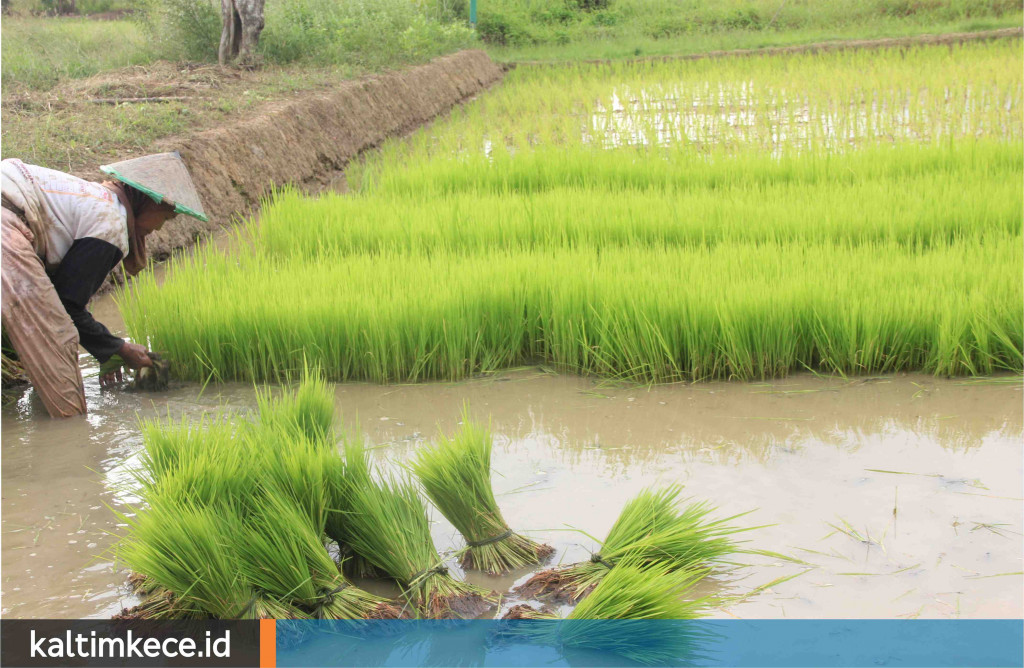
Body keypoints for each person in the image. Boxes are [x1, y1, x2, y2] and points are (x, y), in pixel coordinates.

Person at [1, 152, 208, 418]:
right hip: (6, 228)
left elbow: (61, 296)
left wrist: (106, 350)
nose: (159, 228)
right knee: (57, 342)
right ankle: (70, 436)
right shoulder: (111, 224)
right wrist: (118, 348)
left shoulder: (96, 199)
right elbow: (66, 307)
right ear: (148, 202)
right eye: (165, 218)